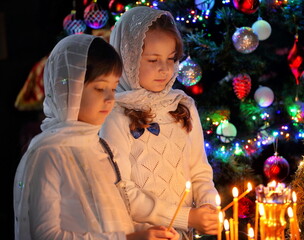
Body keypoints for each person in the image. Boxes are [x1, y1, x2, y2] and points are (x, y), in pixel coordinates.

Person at [13, 34, 179, 240]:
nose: (111, 98)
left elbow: (113, 220)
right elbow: (46, 235)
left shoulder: (102, 148)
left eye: (113, 87)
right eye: (100, 88)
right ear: (69, 89)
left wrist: (145, 231)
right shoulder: (49, 153)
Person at [100, 6, 219, 239]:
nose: (164, 69)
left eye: (171, 59)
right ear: (127, 59)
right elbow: (122, 190)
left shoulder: (182, 107)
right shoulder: (114, 114)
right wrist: (187, 216)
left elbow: (199, 171)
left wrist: (207, 206)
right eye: (153, 60)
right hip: (141, 233)